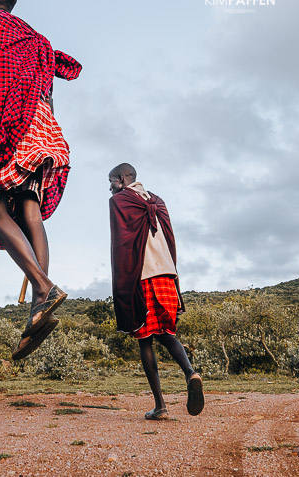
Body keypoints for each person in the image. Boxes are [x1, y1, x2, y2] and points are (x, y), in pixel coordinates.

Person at [0, 0, 82, 360]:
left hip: (9, 123)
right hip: (42, 127)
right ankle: (38, 306)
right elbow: (46, 84)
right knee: (29, 209)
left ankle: (43, 288)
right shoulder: (36, 41)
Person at [108, 163, 204, 419]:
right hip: (167, 276)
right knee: (166, 332)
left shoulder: (119, 201)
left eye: (112, 182)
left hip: (142, 276)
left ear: (122, 178)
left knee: (144, 339)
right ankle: (190, 373)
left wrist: (122, 284)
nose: (110, 188)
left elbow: (122, 247)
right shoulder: (158, 201)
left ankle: (160, 406)